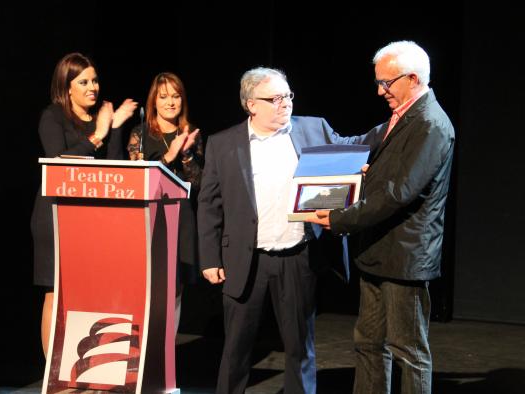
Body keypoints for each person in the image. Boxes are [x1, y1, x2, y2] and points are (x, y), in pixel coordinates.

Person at [198, 67, 371, 394]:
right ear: (251, 104)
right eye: (274, 98)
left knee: (299, 347)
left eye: (287, 96)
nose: (284, 104)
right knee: (236, 349)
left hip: (297, 258)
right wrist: (208, 258)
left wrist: (384, 134)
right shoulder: (223, 144)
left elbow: (350, 148)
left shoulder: (312, 128)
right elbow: (209, 204)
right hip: (246, 261)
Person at [306, 41, 455, 393]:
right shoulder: (402, 117)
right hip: (377, 249)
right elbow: (358, 148)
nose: (379, 90)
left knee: (408, 349)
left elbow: (399, 193)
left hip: (405, 256)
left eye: (386, 83)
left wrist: (341, 219)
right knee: (368, 344)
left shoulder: (430, 124)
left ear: (413, 78)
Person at [30, 52, 138, 356]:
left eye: (95, 80)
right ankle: (53, 373)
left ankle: (80, 367)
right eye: (84, 81)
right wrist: (99, 134)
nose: (93, 87)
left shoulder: (101, 119)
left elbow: (115, 167)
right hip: (55, 215)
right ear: (67, 87)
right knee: (56, 292)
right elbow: (58, 161)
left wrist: (114, 127)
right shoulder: (53, 116)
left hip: (91, 219)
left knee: (87, 294)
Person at [127, 72, 203, 333]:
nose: (171, 102)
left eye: (176, 96)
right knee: (148, 283)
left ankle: (166, 351)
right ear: (154, 101)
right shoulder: (140, 134)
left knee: (174, 286)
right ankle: (143, 347)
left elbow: (198, 183)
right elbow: (137, 181)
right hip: (148, 217)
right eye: (164, 96)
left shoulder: (190, 133)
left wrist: (186, 155)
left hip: (181, 216)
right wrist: (170, 155)